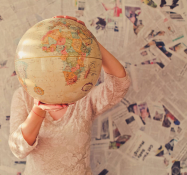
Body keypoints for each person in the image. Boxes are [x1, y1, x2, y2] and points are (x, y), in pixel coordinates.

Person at [8, 16, 131, 175]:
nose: (55, 61)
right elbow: (19, 149)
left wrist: (89, 41)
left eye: (62, 57)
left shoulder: (83, 95)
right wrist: (38, 111)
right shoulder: (23, 96)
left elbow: (120, 84)